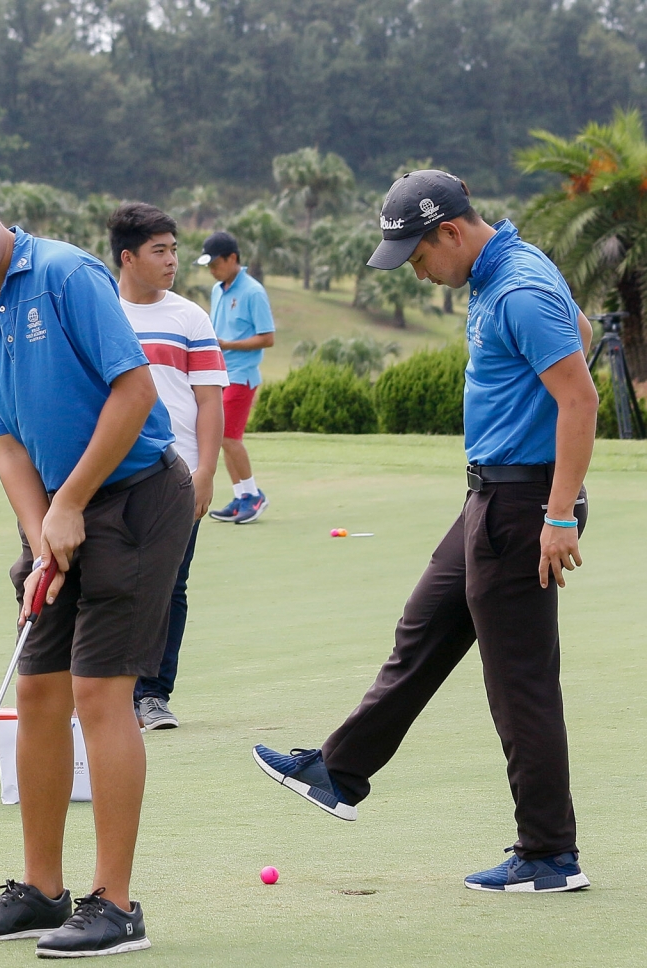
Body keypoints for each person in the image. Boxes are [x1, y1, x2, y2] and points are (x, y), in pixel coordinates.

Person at [253, 170, 599, 893]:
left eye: (417, 258)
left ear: (450, 231)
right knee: (423, 628)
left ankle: (549, 854)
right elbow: (584, 335)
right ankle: (339, 771)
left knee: (520, 683)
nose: (418, 273)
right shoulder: (498, 271)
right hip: (491, 497)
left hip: (523, 503)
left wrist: (559, 513)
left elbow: (579, 396)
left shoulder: (517, 289)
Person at [0, 162, 193, 959]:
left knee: (101, 693)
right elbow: (6, 442)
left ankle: (115, 904)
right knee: (37, 693)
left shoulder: (66, 274)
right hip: (58, 510)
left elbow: (134, 395)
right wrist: (40, 536)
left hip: (134, 496)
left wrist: (70, 506)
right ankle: (42, 889)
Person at [110, 203, 227, 731]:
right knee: (110, 584)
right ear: (128, 257)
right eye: (160, 251)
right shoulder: (102, 315)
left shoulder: (190, 317)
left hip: (177, 475)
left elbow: (209, 402)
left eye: (174, 250)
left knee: (170, 585)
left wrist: (205, 472)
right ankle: (108, 693)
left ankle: (152, 694)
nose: (172, 261)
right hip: (109, 474)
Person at [196, 231, 274, 523]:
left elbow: (267, 338)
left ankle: (253, 496)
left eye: (215, 263)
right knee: (223, 437)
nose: (212, 270)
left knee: (229, 436)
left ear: (233, 259)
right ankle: (242, 495)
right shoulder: (219, 289)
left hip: (242, 374)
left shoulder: (253, 291)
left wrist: (227, 345)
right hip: (220, 373)